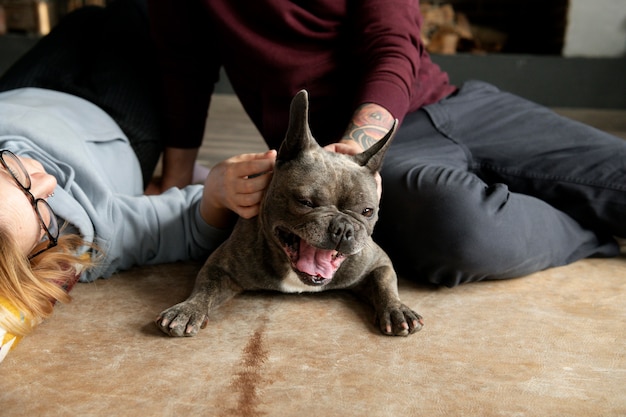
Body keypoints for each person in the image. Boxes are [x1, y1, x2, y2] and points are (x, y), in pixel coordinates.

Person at [147, 0, 626, 287]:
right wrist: (173, 189)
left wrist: (358, 151)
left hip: (451, 109)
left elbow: (394, 44)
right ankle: (594, 231)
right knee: (460, 231)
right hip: (357, 162)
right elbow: (182, 69)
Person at [0, 0, 275, 361]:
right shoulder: (88, 240)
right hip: (113, 121)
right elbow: (181, 225)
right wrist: (218, 192)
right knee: (141, 17)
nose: (45, 184)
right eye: (42, 210)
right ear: (42, 249)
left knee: (83, 19)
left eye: (11, 176)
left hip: (19, 93)